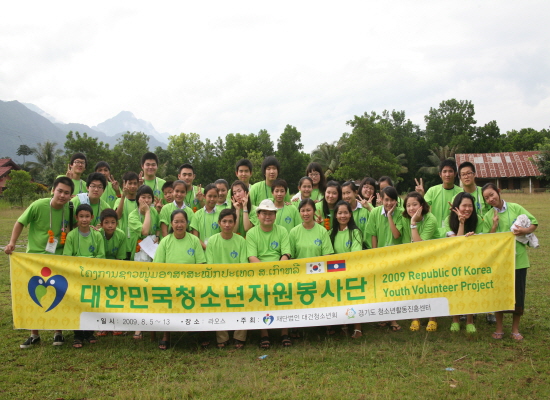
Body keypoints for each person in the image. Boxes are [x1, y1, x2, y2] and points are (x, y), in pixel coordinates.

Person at [4, 176, 74, 348]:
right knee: (33, 295)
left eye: (67, 193)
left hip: (57, 258)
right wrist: (12, 242)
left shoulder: (70, 209)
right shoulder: (38, 205)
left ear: (71, 196)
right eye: (60, 191)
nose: (62, 195)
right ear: (53, 190)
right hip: (34, 258)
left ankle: (58, 332)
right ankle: (34, 334)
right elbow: (20, 222)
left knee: (58, 294)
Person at [482, 183, 538, 341]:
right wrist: (493, 225)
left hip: (518, 260)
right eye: (486, 198)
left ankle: (515, 329)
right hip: (499, 263)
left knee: (517, 295)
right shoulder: (488, 216)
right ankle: (499, 328)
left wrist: (524, 231)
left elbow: (533, 222)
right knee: (499, 295)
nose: (490, 199)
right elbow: (487, 240)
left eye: (492, 195)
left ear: (498, 192)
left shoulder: (516, 208)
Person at [154, 209, 206, 350]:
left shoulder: (194, 240)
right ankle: (166, 334)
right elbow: (158, 267)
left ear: (187, 223)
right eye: (176, 222)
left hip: (192, 283)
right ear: (171, 223)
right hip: (170, 284)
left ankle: (201, 333)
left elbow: (201, 264)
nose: (179, 225)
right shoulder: (165, 242)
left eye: (182, 221)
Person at [247, 199, 292, 348]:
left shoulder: (282, 231)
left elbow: (286, 254)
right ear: (258, 215)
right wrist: (267, 273)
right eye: (264, 213)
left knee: (286, 293)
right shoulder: (252, 233)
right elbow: (252, 257)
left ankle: (284, 332)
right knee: (260, 295)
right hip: (259, 272)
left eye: (271, 213)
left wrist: (277, 271)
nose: (268, 216)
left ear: (275, 215)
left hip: (280, 271)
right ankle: (263, 333)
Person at [63, 204, 105, 348]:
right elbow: (67, 257)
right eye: (81, 216)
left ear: (92, 218)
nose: (84, 220)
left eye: (87, 216)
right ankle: (78, 335)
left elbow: (101, 256)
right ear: (76, 218)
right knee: (78, 305)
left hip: (92, 276)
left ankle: (89, 333)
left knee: (91, 304)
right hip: (76, 277)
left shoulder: (97, 235)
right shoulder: (71, 235)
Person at [205, 209, 248, 349]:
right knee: (217, 301)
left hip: (237, 282)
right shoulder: (212, 241)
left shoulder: (241, 241)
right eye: (224, 221)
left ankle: (239, 337)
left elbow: (243, 265)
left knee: (243, 300)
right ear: (219, 223)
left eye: (230, 221)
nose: (227, 225)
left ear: (235, 223)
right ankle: (222, 338)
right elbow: (210, 265)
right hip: (218, 282)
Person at [443, 192, 484, 334]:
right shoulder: (448, 220)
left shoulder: (477, 219)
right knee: (455, 288)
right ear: (456, 207)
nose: (467, 209)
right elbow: (458, 243)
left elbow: (482, 239)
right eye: (464, 205)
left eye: (470, 206)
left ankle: (469, 320)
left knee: (470, 289)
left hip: (472, 261)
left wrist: (475, 237)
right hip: (454, 261)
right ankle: (455, 319)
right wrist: (461, 224)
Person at [365, 186, 403, 332]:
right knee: (381, 287)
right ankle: (384, 316)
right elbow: (373, 234)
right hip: (380, 256)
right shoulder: (374, 212)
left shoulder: (399, 213)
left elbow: (396, 235)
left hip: (395, 256)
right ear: (380, 199)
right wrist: (375, 255)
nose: (389, 203)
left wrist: (390, 216)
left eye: (392, 200)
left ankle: (392, 319)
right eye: (386, 200)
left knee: (392, 287)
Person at [400, 192, 439, 332]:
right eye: (408, 205)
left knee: (430, 287)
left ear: (421, 206)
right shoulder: (404, 217)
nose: (411, 208)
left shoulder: (431, 219)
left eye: (414, 204)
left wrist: (413, 223)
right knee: (414, 286)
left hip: (431, 257)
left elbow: (420, 245)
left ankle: (432, 318)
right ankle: (415, 317)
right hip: (414, 258)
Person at [329, 200, 363, 338]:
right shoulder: (331, 233)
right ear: (335, 216)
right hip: (335, 272)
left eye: (346, 212)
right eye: (340, 213)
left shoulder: (355, 232)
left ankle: (357, 328)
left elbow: (355, 254)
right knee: (339, 298)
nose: (343, 216)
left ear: (350, 214)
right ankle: (343, 325)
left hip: (352, 271)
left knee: (354, 298)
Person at [415, 160, 462, 236]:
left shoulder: (461, 192)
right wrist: (421, 196)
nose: (447, 174)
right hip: (435, 232)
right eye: (444, 171)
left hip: (454, 233)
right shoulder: (432, 190)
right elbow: (423, 208)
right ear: (440, 174)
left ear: (455, 174)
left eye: (450, 171)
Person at [128, 185, 160, 262]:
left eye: (149, 197)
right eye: (143, 197)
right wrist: (147, 211)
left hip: (151, 249)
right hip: (137, 251)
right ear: (138, 198)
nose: (146, 200)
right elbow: (144, 232)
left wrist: (157, 236)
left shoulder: (154, 211)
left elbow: (158, 227)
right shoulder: (133, 216)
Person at [114, 172, 139, 259]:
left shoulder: (140, 201)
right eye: (130, 183)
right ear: (124, 184)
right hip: (123, 242)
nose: (132, 186)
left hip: (136, 243)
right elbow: (117, 217)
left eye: (135, 183)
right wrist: (123, 197)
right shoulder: (119, 200)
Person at [190, 184, 221, 249]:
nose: (212, 199)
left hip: (217, 250)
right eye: (209, 196)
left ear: (218, 197)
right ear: (204, 196)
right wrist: (206, 247)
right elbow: (195, 237)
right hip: (201, 252)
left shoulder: (221, 214)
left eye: (215, 196)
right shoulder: (197, 215)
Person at [341, 181, 369, 249]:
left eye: (348, 193)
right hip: (349, 249)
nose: (346, 196)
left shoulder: (366, 207)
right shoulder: (341, 212)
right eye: (343, 193)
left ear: (355, 192)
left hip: (367, 248)